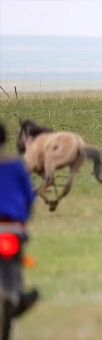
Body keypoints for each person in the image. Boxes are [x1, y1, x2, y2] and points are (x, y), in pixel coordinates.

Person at [0, 122, 39, 318]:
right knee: (16, 260)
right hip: (13, 225)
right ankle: (19, 294)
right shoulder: (17, 166)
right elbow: (29, 197)